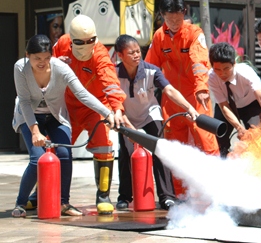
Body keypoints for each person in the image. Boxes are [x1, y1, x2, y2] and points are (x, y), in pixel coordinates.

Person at [11, 34, 115, 218]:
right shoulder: (20, 68)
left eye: (46, 58)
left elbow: (82, 94)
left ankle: (63, 203)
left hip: (55, 116)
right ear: (28, 55)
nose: (41, 63)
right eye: (36, 59)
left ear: (52, 55)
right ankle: (20, 203)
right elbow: (25, 102)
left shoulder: (61, 68)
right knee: (37, 159)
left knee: (65, 155)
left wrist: (107, 113)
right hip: (29, 116)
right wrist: (35, 131)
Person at [53, 14, 128, 215]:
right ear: (72, 39)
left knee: (104, 145)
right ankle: (43, 194)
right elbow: (47, 64)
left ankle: (103, 195)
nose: (86, 45)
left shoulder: (100, 55)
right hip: (68, 106)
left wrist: (117, 109)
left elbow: (110, 82)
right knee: (55, 150)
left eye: (90, 41)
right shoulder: (62, 44)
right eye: (81, 42)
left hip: (95, 107)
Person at [144, 0, 219, 195]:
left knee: (207, 141)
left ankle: (215, 188)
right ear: (162, 16)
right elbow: (150, 66)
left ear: (184, 14)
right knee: (175, 146)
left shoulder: (195, 33)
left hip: (196, 96)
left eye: (178, 18)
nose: (175, 23)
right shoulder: (159, 36)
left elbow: (200, 62)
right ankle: (179, 193)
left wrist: (202, 88)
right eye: (170, 19)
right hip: (171, 99)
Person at [114, 34, 200, 210]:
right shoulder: (113, 74)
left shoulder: (151, 71)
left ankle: (166, 196)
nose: (137, 55)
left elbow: (169, 90)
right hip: (126, 117)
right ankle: (125, 196)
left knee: (160, 148)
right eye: (131, 53)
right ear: (120, 55)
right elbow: (111, 101)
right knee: (126, 152)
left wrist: (189, 108)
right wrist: (128, 127)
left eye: (138, 51)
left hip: (149, 114)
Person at [208, 42, 261, 158]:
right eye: (217, 69)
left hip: (251, 105)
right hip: (228, 107)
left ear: (234, 64)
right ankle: (224, 160)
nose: (222, 73)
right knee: (219, 133)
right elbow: (224, 106)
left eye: (226, 68)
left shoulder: (246, 72)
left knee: (257, 135)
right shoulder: (212, 77)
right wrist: (239, 128)